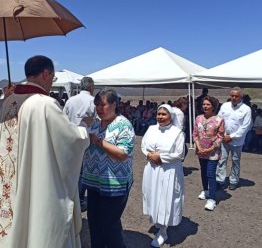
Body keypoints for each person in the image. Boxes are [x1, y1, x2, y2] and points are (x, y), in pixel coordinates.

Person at [0, 55, 90, 248]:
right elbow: (71, 141)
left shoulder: (10, 101)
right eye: (53, 78)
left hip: (8, 175)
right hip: (32, 174)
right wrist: (84, 130)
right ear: (46, 74)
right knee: (30, 217)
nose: (51, 83)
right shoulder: (45, 104)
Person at [82, 89, 135, 248]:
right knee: (94, 223)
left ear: (113, 104)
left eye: (102, 104)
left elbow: (123, 153)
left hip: (114, 185)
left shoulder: (123, 125)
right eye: (96, 104)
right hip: (94, 182)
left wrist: (98, 141)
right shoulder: (95, 123)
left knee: (109, 225)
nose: (99, 108)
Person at [141, 104, 185, 248]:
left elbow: (180, 154)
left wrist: (160, 157)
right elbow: (143, 145)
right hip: (152, 169)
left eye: (163, 114)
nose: (160, 117)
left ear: (170, 116)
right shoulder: (151, 129)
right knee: (153, 196)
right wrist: (149, 155)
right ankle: (158, 222)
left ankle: (163, 232)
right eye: (158, 114)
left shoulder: (177, 133)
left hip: (169, 171)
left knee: (166, 199)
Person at [63, 76, 96, 212]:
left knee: (72, 168)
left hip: (71, 139)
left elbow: (63, 119)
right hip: (87, 139)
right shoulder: (94, 101)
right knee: (84, 171)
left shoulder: (70, 101)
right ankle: (80, 199)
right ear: (91, 87)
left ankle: (71, 196)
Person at [216, 87, 252, 190]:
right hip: (223, 138)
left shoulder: (246, 109)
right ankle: (220, 180)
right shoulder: (225, 106)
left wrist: (231, 137)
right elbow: (219, 119)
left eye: (236, 96)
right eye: (232, 96)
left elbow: (245, 127)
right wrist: (221, 134)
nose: (234, 98)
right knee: (222, 160)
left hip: (237, 140)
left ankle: (233, 181)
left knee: (235, 160)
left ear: (241, 97)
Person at [193, 96, 224, 211]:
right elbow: (195, 134)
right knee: (203, 171)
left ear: (213, 106)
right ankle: (205, 190)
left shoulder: (219, 120)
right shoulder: (198, 118)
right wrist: (198, 146)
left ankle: (212, 199)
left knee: (211, 173)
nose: (205, 106)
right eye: (204, 104)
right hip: (201, 150)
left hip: (213, 152)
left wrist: (210, 149)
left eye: (208, 104)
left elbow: (220, 137)